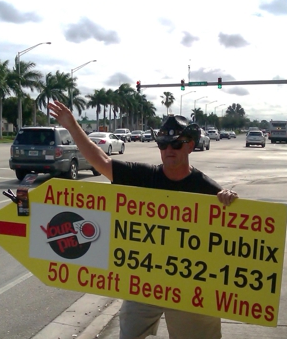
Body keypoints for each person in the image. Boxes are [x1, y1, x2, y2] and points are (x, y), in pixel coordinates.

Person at [48, 100, 238, 339]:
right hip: (146, 282)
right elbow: (101, 161)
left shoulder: (206, 189)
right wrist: (72, 124)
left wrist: (229, 200)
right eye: (163, 143)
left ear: (190, 146)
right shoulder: (145, 176)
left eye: (176, 144)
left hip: (190, 287)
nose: (169, 149)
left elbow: (232, 241)